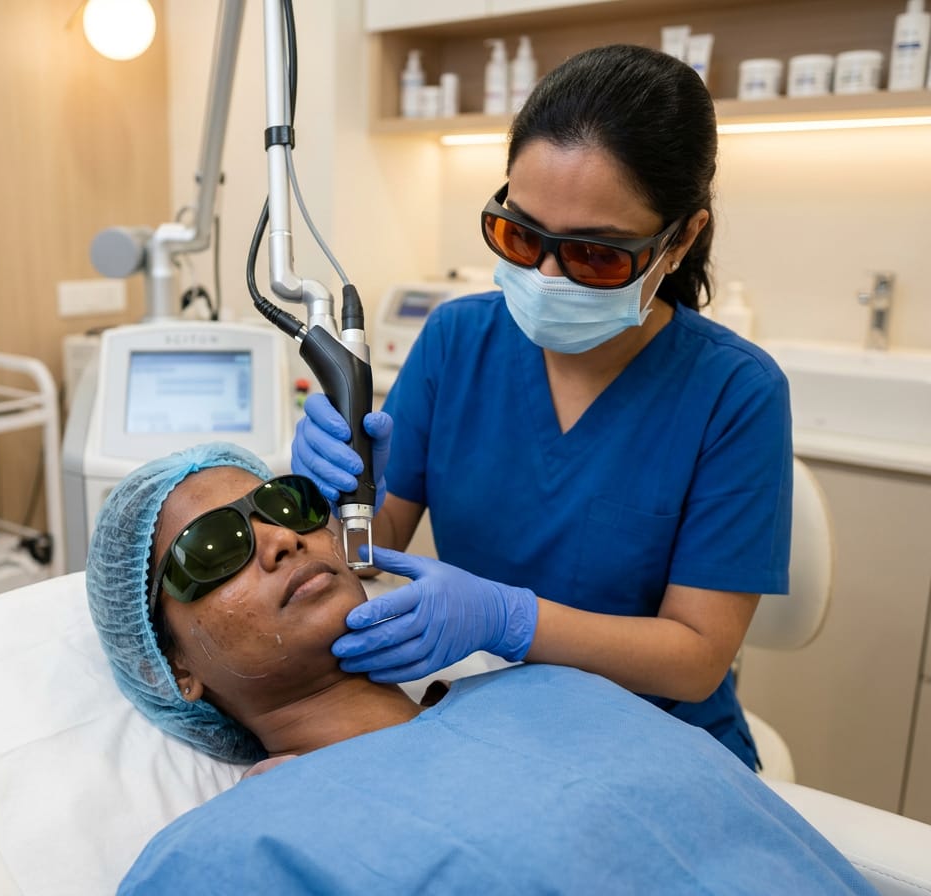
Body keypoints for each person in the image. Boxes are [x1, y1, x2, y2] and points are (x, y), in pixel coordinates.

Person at [292, 44, 793, 770]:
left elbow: (693, 660)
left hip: (655, 742)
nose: (547, 275)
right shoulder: (456, 340)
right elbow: (366, 554)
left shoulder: (735, 394)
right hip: (484, 715)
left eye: (595, 254)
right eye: (521, 234)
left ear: (681, 238)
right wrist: (331, 499)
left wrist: (508, 618)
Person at [86, 443, 869, 894]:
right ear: (176, 667)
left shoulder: (552, 687)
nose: (281, 540)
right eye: (214, 548)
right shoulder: (229, 853)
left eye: (289, 504)